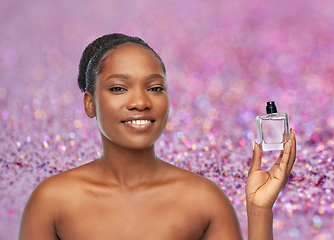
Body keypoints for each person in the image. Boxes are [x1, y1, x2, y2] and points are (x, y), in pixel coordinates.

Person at [18, 33, 297, 240]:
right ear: (90, 103)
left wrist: (259, 210)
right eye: (118, 88)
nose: (140, 101)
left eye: (155, 88)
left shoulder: (204, 200)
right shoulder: (51, 201)